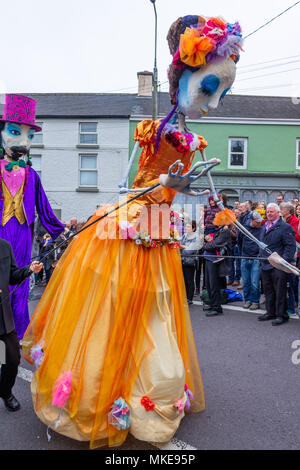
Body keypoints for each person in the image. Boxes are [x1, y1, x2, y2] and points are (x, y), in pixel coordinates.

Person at [23, 13, 243, 448]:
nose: (213, 105)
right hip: (132, 223)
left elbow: (182, 185)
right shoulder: (153, 131)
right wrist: (161, 185)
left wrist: (184, 188)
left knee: (153, 312)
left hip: (158, 229)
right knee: (112, 310)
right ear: (180, 75)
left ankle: (143, 387)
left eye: (223, 92)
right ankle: (98, 392)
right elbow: (129, 182)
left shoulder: (190, 139)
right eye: (210, 89)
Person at [0, 94, 64, 339]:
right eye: (16, 132)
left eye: (30, 135)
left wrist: (66, 235)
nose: (24, 141)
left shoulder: (32, 176)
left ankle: (16, 339)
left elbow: (46, 212)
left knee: (20, 289)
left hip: (23, 237)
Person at [0, 238, 42, 411]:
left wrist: (29, 270)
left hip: (2, 316)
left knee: (11, 359)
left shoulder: (4, 246)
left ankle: (5, 392)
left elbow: (13, 276)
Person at [258, 203, 296, 326]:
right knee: (268, 290)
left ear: (278, 213)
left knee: (280, 291)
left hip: (279, 265)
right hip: (265, 263)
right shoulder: (265, 226)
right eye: (267, 212)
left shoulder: (285, 227)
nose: (269, 214)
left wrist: (283, 262)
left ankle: (281, 315)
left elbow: (290, 247)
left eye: (271, 212)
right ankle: (270, 312)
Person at [203, 224, 232, 317]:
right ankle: (212, 304)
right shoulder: (218, 229)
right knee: (208, 284)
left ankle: (217, 307)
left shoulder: (225, 230)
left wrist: (205, 245)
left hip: (215, 260)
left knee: (214, 284)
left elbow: (217, 243)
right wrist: (206, 240)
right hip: (208, 258)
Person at [241, 211, 264, 310]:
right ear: (251, 220)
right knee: (246, 281)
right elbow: (239, 240)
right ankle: (247, 300)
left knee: (254, 282)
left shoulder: (262, 229)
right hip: (245, 257)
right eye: (257, 221)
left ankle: (255, 301)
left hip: (256, 258)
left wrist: (259, 255)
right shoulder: (244, 229)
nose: (259, 223)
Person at [180, 221, 203, 305]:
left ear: (193, 229)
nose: (186, 228)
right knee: (185, 280)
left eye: (189, 227)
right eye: (186, 226)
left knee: (190, 280)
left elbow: (190, 250)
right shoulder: (184, 236)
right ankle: (185, 297)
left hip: (191, 261)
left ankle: (190, 298)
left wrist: (180, 246)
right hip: (183, 260)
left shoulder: (196, 237)